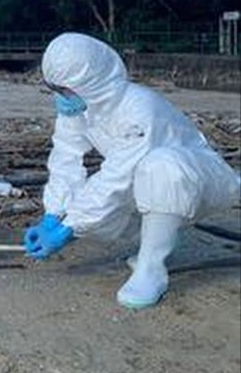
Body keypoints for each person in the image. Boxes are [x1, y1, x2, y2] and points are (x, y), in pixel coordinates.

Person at [23, 32, 240, 309]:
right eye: (54, 89)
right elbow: (65, 157)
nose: (61, 99)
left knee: (160, 167)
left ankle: (151, 268)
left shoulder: (139, 108)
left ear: (91, 83)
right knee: (101, 207)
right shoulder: (84, 109)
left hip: (206, 182)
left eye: (65, 90)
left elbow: (117, 175)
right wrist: (53, 214)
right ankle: (156, 242)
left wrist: (70, 226)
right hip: (152, 182)